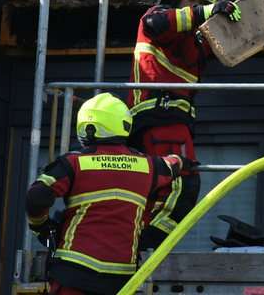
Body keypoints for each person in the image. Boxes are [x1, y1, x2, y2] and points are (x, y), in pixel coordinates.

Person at [25, 92, 189, 295]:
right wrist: (181, 161)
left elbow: (36, 198)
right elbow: (172, 164)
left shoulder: (74, 162)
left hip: (74, 274)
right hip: (121, 279)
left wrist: (41, 228)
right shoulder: (147, 165)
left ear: (86, 126)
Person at [126, 0, 243, 249]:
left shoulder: (191, 40)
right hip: (159, 117)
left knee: (160, 191)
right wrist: (211, 8)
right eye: (192, 1)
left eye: (202, 2)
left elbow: (217, 37)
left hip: (172, 122)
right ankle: (145, 250)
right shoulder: (155, 20)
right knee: (182, 186)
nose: (197, 8)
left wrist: (233, 3)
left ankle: (138, 246)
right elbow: (159, 23)